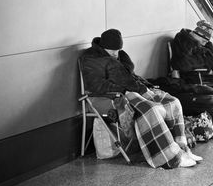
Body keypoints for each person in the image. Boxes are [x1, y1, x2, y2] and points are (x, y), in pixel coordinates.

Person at [79, 29, 203, 169]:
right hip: (116, 95)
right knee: (152, 110)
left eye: (118, 49)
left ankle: (182, 148)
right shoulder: (91, 59)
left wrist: (145, 86)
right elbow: (97, 85)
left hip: (133, 89)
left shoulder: (118, 56)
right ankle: (172, 158)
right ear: (103, 46)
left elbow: (130, 76)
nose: (115, 53)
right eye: (112, 50)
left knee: (173, 102)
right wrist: (124, 90)